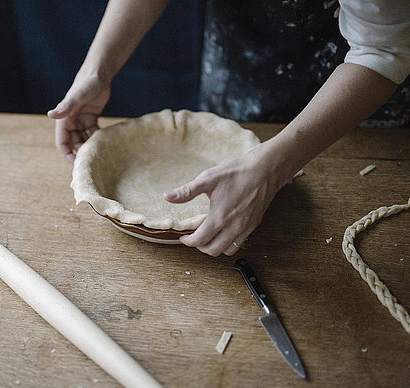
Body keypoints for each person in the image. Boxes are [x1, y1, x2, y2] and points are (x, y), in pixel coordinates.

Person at [47, 0, 410, 257]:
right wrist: (96, 71)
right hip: (240, 78)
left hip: (356, 123)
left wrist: (274, 166)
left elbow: (382, 50)